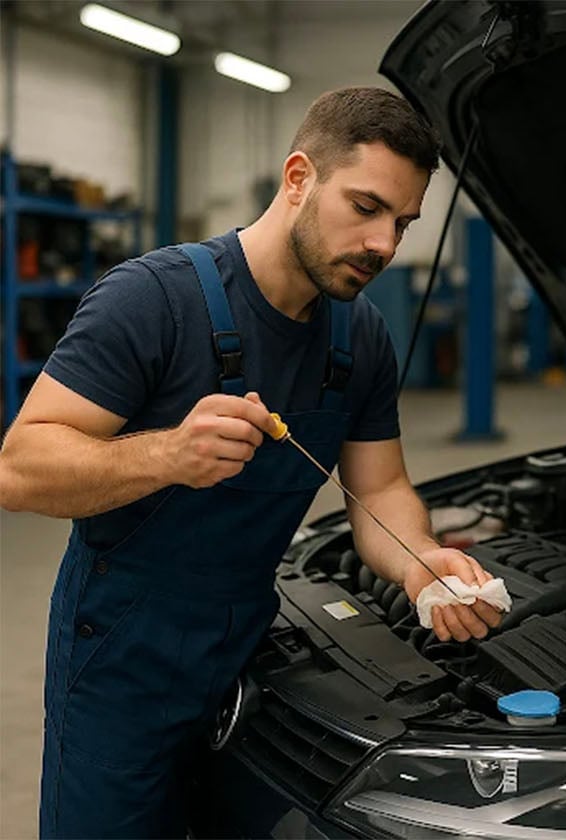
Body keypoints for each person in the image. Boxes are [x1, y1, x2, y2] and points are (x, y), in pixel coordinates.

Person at [0, 86, 504, 838]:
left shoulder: (360, 338)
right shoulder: (152, 299)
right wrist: (169, 453)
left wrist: (419, 561)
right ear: (298, 178)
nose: (385, 245)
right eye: (366, 208)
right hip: (121, 654)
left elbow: (383, 486)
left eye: (402, 223)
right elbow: (19, 466)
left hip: (249, 648)